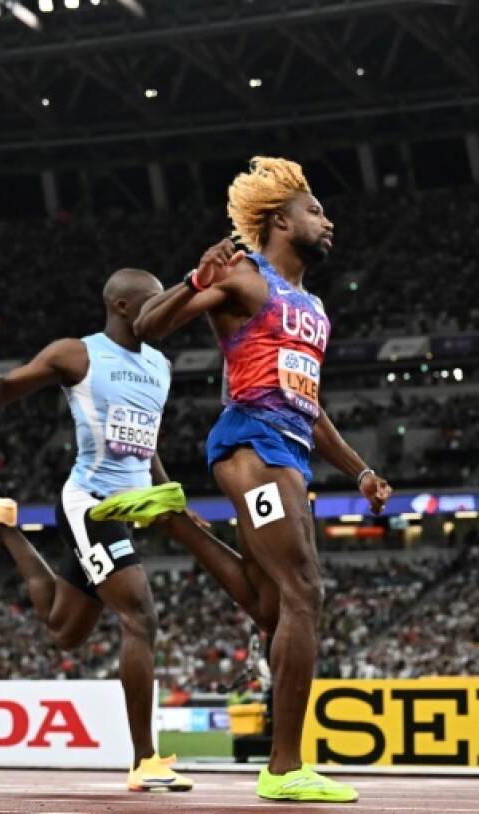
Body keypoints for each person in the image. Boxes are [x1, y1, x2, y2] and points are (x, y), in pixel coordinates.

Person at [131, 156, 392, 803]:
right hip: (252, 443)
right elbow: (147, 326)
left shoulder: (315, 308)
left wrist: (359, 470)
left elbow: (310, 406)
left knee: (272, 605)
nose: (328, 222)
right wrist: (195, 279)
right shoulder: (247, 277)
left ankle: (174, 519)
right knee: (305, 592)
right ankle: (284, 767)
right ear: (279, 220)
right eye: (315, 211)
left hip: (290, 450)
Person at [0, 269, 196, 793]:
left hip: (128, 511)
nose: (165, 312)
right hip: (90, 506)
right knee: (140, 616)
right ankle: (145, 759)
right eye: (154, 303)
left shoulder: (161, 365)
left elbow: (146, 442)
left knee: (65, 631)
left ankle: (5, 527)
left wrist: (170, 494)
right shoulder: (77, 354)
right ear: (123, 306)